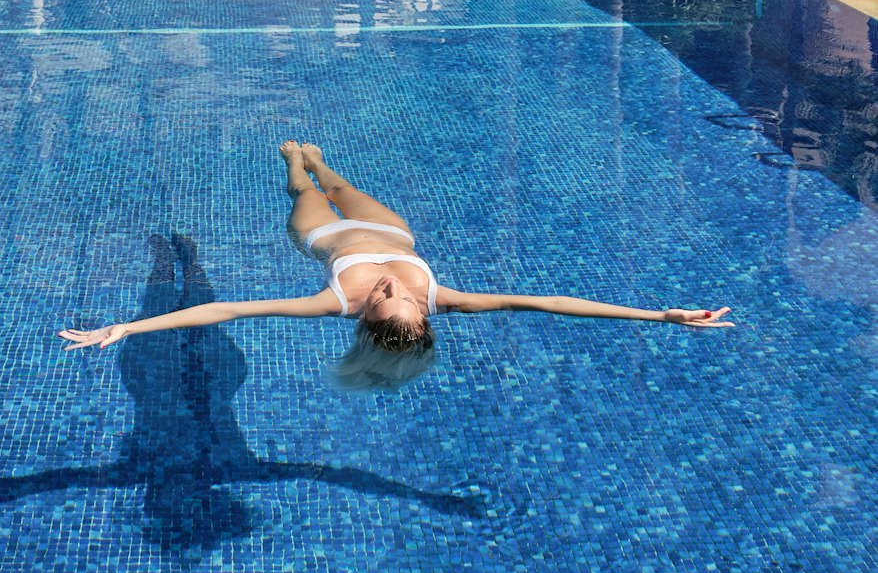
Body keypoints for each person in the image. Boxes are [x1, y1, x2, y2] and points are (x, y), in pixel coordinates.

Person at [61, 142, 733, 393]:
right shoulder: (445, 300)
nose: (387, 286)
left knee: (304, 196)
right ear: (421, 312)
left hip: (326, 237)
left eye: (379, 297)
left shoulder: (338, 304)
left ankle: (297, 170)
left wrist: (129, 328)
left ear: (366, 316)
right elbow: (551, 301)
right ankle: (317, 161)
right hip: (387, 227)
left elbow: (226, 311)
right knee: (338, 176)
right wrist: (660, 315)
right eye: (398, 295)